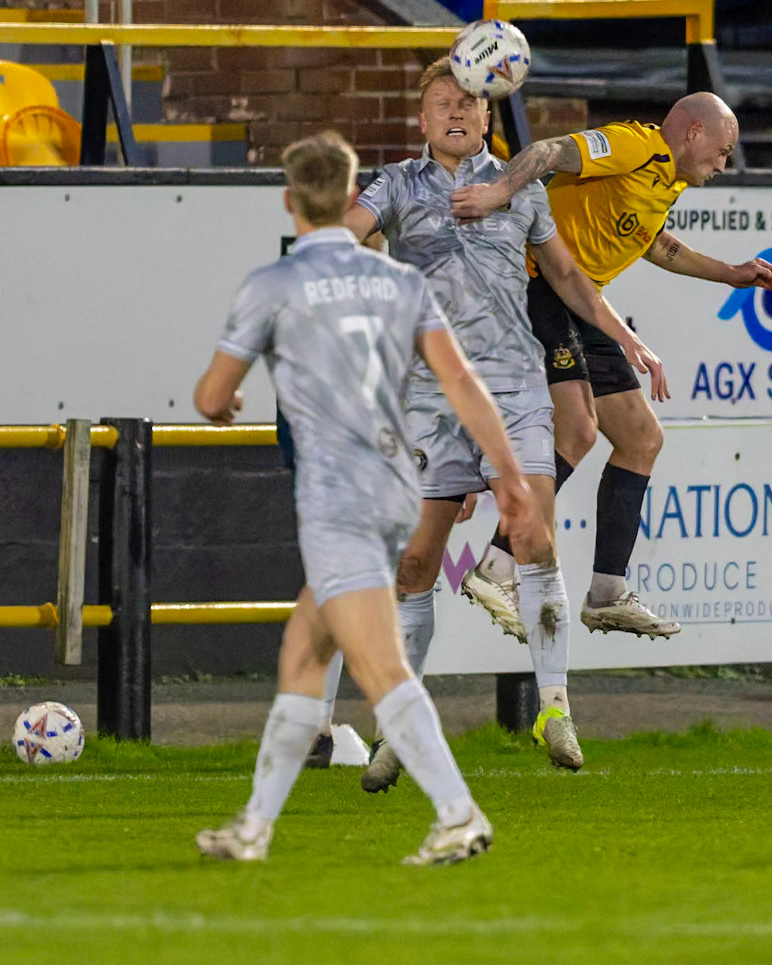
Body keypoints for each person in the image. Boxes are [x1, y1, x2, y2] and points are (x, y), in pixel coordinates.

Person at [325, 56, 668, 784]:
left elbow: (570, 277)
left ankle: (554, 709)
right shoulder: (395, 186)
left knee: (533, 540)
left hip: (513, 387)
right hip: (429, 394)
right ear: (422, 119)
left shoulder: (523, 190)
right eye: (441, 103)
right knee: (416, 562)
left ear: (488, 116)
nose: (455, 112)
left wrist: (627, 337)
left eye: (469, 103)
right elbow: (344, 234)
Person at [192, 131, 524, 864]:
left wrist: (225, 402)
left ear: (289, 201)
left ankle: (459, 813)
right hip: (397, 482)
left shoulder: (274, 283)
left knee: (378, 665)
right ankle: (254, 826)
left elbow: (213, 393)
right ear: (350, 199)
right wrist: (508, 474)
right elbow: (463, 383)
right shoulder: (400, 282)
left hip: (337, 492)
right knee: (304, 651)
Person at [446, 92, 772, 641]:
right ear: (693, 132)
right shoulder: (632, 146)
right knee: (577, 429)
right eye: (722, 152)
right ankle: (497, 565)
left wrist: (732, 274)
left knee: (642, 437)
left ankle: (606, 593)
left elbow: (655, 245)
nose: (723, 166)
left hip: (584, 303)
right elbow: (551, 150)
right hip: (535, 283)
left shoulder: (666, 180)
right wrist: (499, 192)